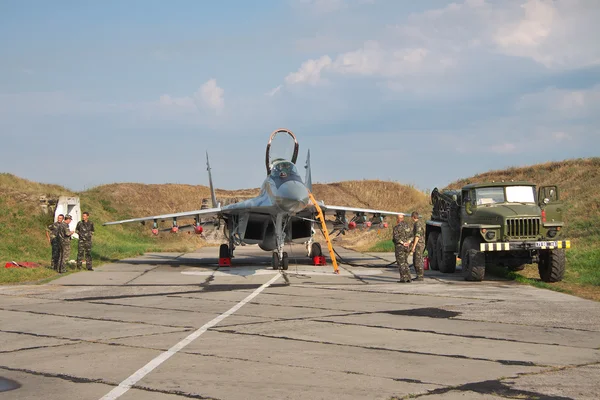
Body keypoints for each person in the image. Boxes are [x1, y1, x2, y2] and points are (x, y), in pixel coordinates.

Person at [392, 214, 413, 282]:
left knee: (401, 262)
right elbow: (412, 236)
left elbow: (396, 238)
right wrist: (408, 242)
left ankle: (403, 278)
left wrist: (402, 243)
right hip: (407, 247)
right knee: (405, 262)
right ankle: (409, 278)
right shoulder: (407, 227)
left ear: (398, 219)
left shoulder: (396, 227)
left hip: (400, 247)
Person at [409, 211, 425, 281]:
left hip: (419, 244)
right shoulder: (418, 223)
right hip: (419, 244)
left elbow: (417, 236)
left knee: (417, 260)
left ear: (413, 217)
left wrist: (414, 246)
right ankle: (419, 275)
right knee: (417, 260)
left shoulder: (417, 224)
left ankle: (420, 276)